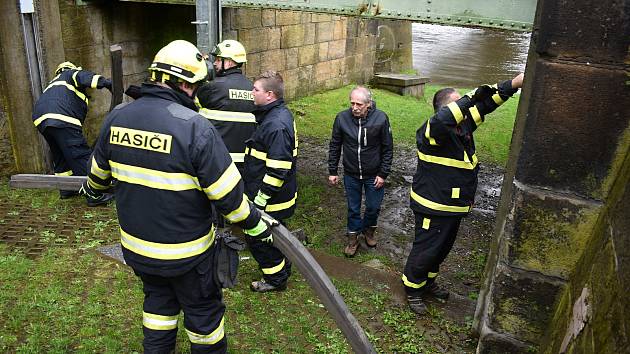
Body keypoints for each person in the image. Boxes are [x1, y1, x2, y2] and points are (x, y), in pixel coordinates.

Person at [81, 40, 274, 353]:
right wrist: (256, 226)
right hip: (188, 255)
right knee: (204, 319)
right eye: (196, 87)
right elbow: (229, 199)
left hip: (138, 250)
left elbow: (95, 183)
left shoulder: (116, 118)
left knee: (158, 306)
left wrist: (90, 192)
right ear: (185, 84)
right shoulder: (194, 127)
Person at [403, 73, 524, 314]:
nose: (465, 107)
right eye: (458, 103)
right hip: (433, 206)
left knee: (441, 249)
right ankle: (413, 289)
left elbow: (486, 104)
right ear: (444, 108)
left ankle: (427, 283)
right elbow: (453, 112)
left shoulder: (462, 127)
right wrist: (470, 95)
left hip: (453, 207)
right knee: (426, 249)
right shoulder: (433, 130)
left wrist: (515, 83)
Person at [243, 70, 297, 292]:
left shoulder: (276, 125)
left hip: (271, 199)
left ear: (270, 95)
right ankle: (284, 265)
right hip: (272, 197)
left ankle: (276, 279)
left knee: (258, 237)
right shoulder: (274, 116)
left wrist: (259, 202)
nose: (251, 93)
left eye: (256, 90)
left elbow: (277, 170)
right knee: (273, 236)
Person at [32, 61, 114, 206]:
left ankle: (66, 189)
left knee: (60, 155)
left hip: (41, 120)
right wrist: (106, 83)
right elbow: (84, 76)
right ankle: (93, 194)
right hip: (62, 117)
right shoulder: (69, 74)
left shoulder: (52, 85)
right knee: (79, 154)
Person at [327, 86, 393, 257]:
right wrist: (332, 170)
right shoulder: (342, 118)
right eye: (352, 103)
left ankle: (369, 232)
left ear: (368, 104)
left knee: (373, 207)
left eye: (359, 104)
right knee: (353, 209)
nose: (355, 108)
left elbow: (388, 148)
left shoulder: (381, 119)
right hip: (351, 174)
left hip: (374, 175)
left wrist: (383, 173)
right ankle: (353, 239)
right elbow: (335, 145)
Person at [196, 40, 256, 172]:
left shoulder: (213, 88)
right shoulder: (254, 89)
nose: (215, 63)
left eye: (218, 59)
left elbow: (190, 101)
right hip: (246, 161)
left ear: (229, 62)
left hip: (220, 160)